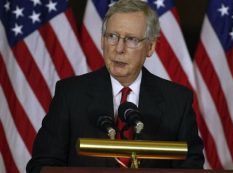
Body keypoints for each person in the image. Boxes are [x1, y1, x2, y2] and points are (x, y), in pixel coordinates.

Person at [26, 0, 204, 172]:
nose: (119, 48)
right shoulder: (71, 95)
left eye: (131, 39)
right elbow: (42, 165)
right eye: (112, 36)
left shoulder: (177, 101)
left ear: (150, 47)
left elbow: (191, 167)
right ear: (102, 41)